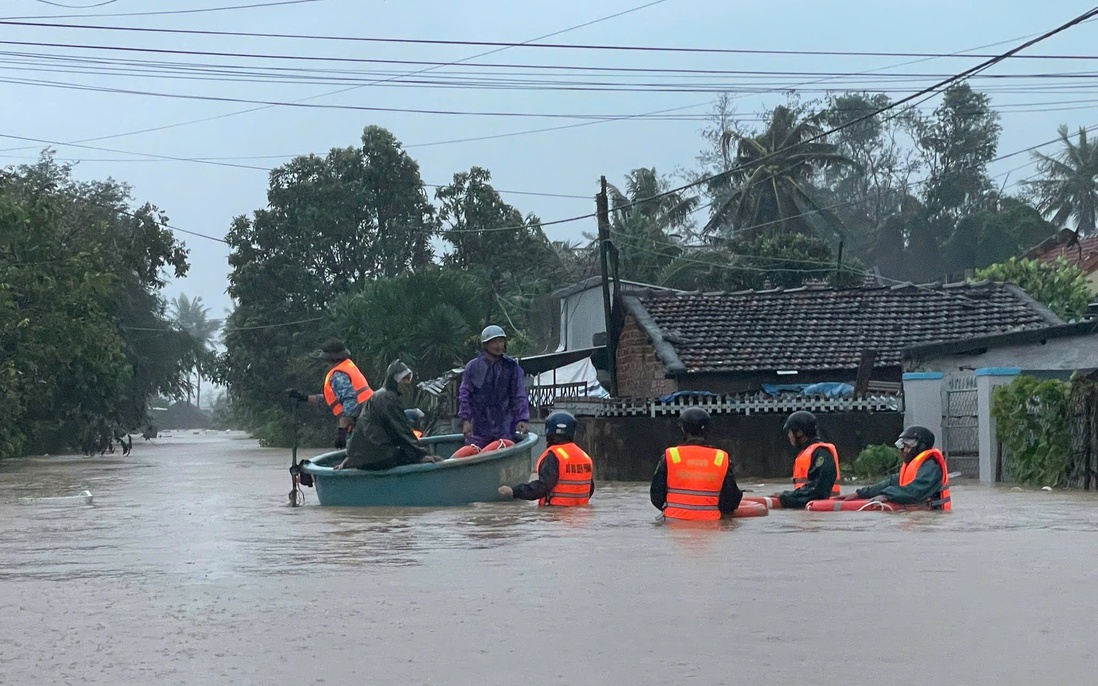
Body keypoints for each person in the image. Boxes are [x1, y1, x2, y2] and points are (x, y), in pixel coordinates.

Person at [337, 360, 443, 471]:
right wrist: (421, 455)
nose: (407, 382)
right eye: (404, 379)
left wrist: (352, 456)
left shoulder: (379, 395)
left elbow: (360, 430)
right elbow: (401, 430)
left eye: (409, 379)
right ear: (394, 380)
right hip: (377, 458)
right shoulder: (387, 398)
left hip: (362, 457)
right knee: (429, 459)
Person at [650, 408, 743, 521]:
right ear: (707, 430)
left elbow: (656, 496)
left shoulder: (670, 456)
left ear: (683, 429)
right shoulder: (721, 458)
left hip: (673, 522)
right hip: (711, 524)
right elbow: (731, 500)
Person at [454, 325, 530, 457]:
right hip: (479, 425)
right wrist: (466, 420)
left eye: (501, 341)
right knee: (474, 456)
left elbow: (519, 394)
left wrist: (521, 419)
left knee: (503, 455)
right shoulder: (473, 367)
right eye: (494, 341)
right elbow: (465, 394)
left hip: (505, 424)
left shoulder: (511, 367)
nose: (498, 345)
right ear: (485, 345)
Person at [838, 425, 952, 510]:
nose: (904, 451)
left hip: (932, 517)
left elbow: (915, 491)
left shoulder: (931, 467)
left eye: (908, 447)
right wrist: (860, 493)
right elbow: (890, 482)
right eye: (903, 446)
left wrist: (886, 495)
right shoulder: (914, 466)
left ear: (921, 447)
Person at [288, 339, 373, 449]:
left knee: (355, 455)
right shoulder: (347, 367)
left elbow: (350, 402)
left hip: (363, 423)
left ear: (329, 359)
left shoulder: (338, 375)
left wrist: (341, 431)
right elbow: (334, 400)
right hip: (367, 417)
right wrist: (305, 398)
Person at [498, 411, 594, 506]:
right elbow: (590, 488)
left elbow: (542, 487)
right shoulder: (584, 457)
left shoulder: (554, 456)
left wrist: (514, 491)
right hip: (581, 517)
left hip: (556, 516)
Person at [771, 411, 841, 509]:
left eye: (790, 432)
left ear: (799, 432)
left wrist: (786, 497)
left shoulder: (821, 453)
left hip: (822, 509)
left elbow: (819, 491)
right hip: (808, 510)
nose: (789, 436)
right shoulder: (809, 452)